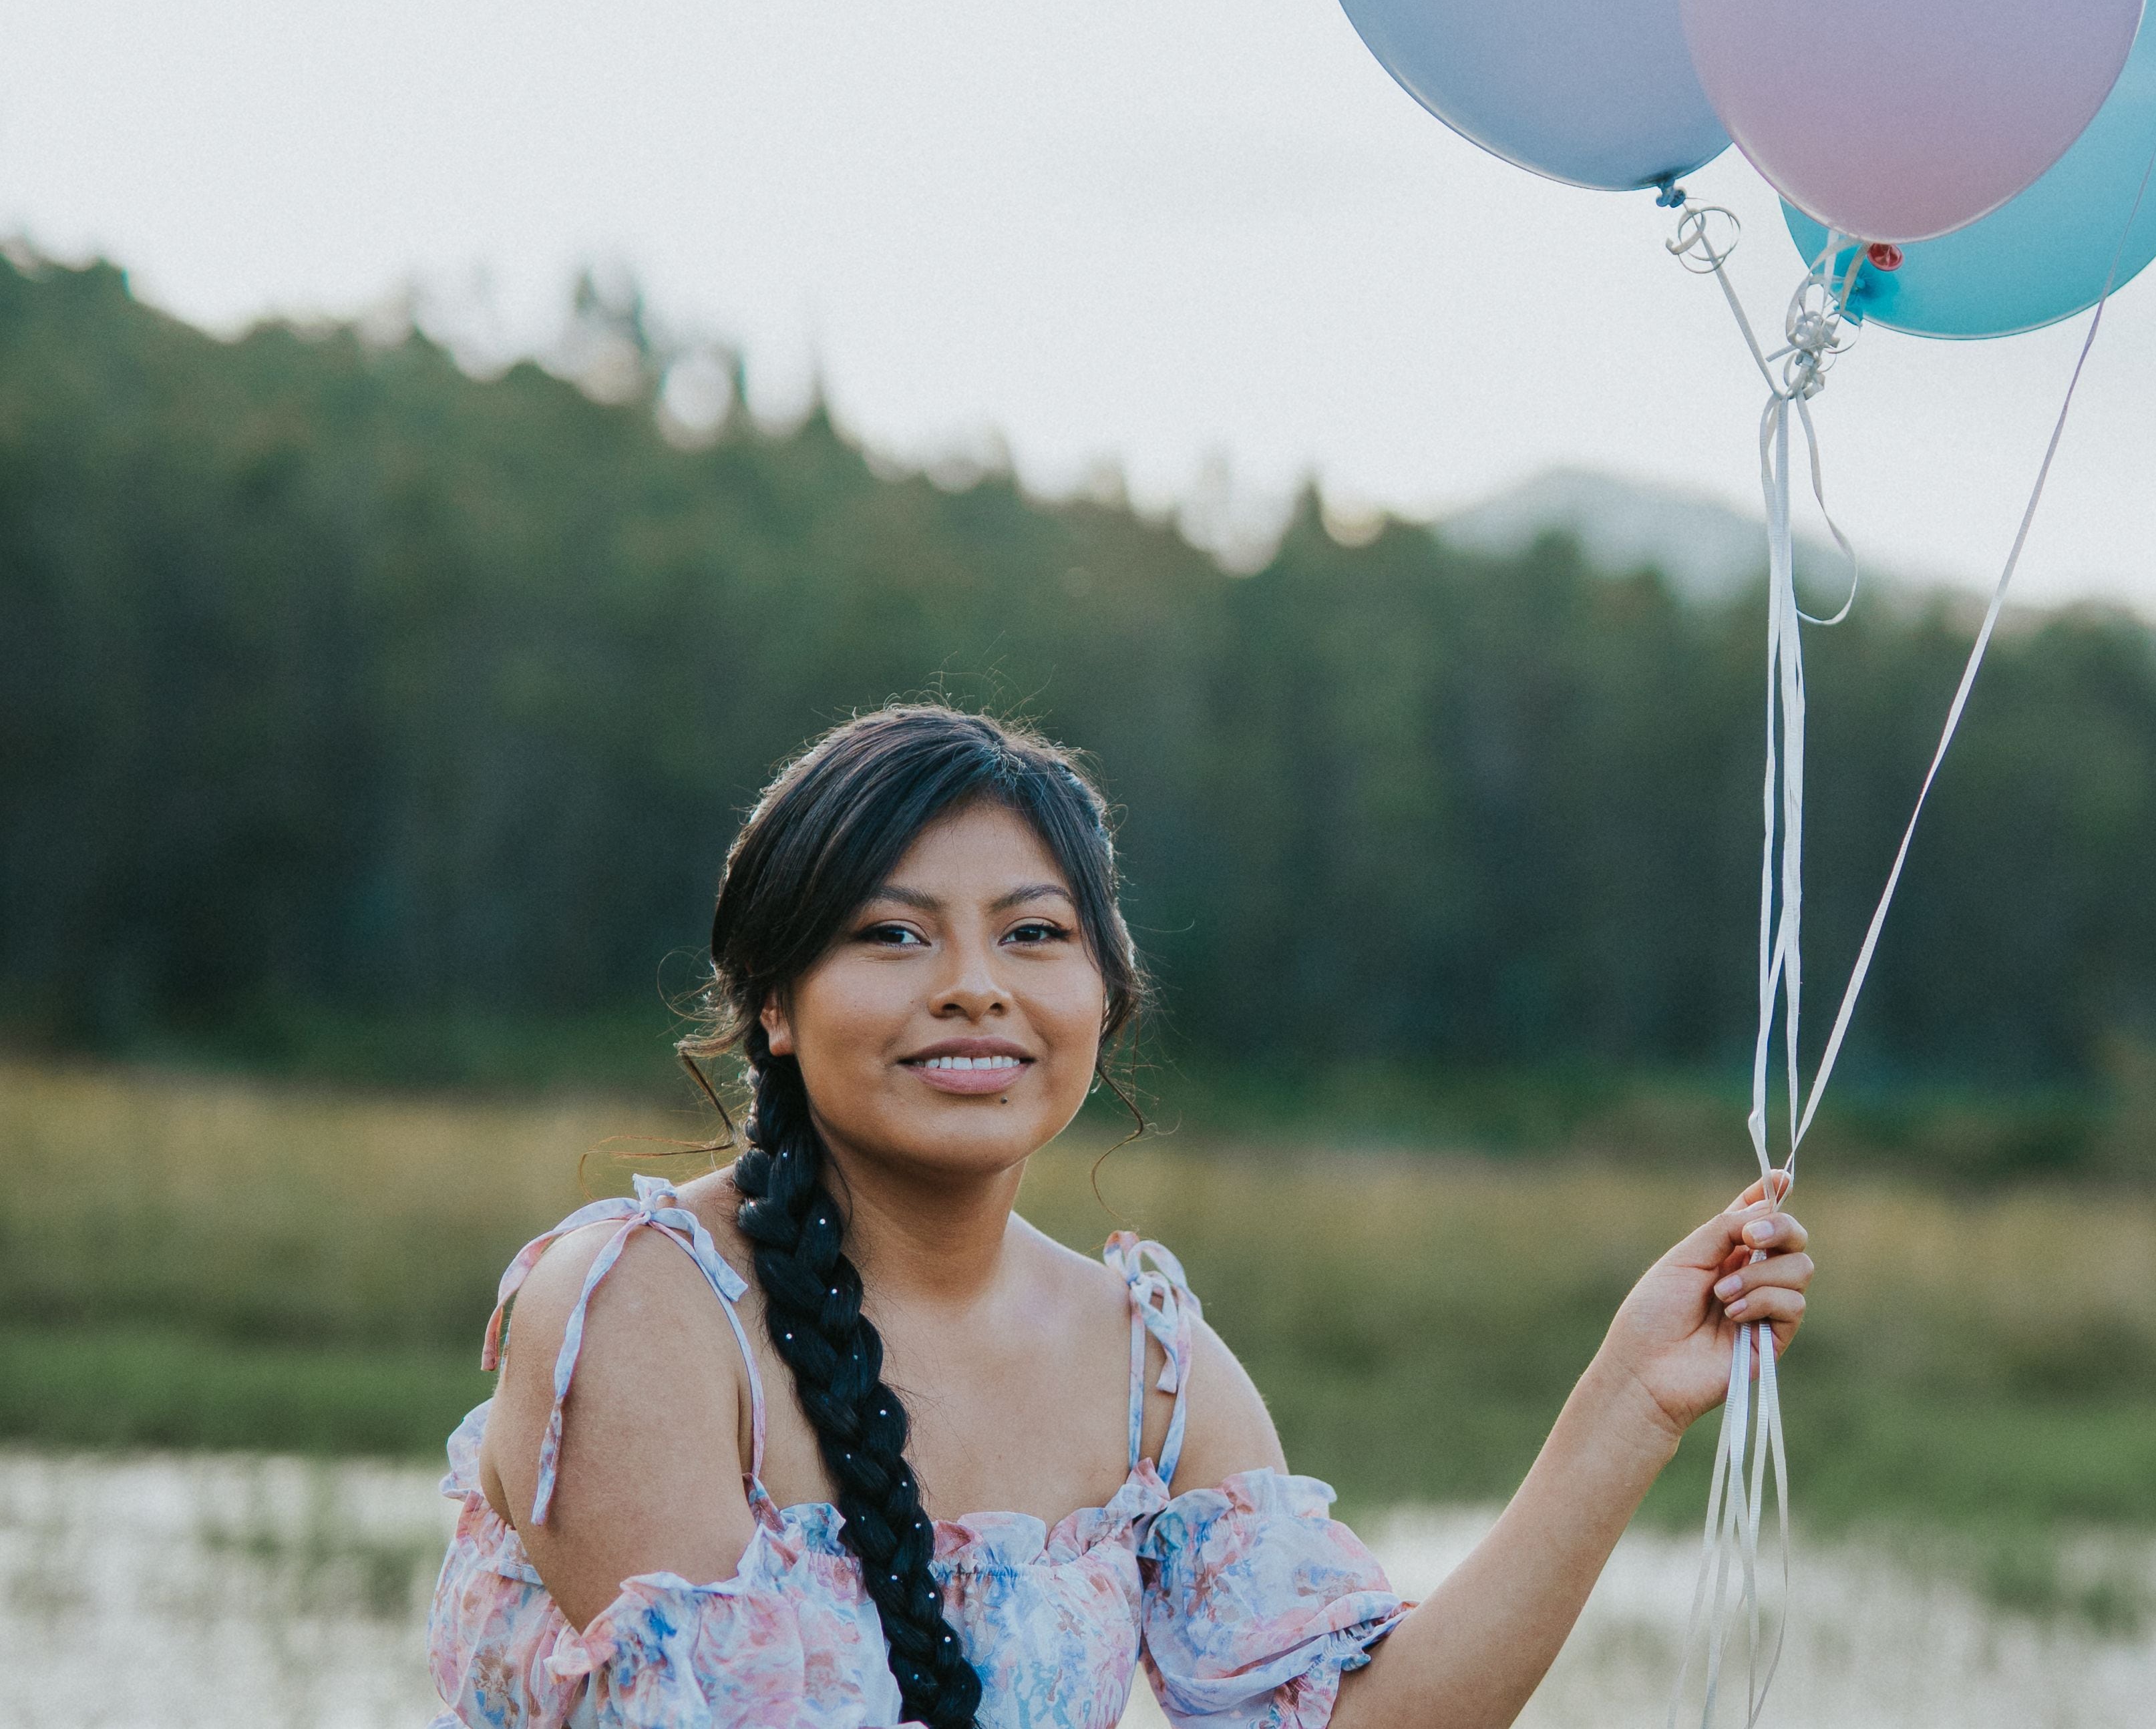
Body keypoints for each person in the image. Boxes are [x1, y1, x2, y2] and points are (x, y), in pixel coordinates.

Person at [426, 705, 1813, 1728]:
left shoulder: (1144, 1359)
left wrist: (1631, 1396)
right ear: (773, 1007)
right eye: (891, 933)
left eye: (1032, 934)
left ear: (1103, 995)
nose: (974, 986)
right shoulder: (646, 1308)